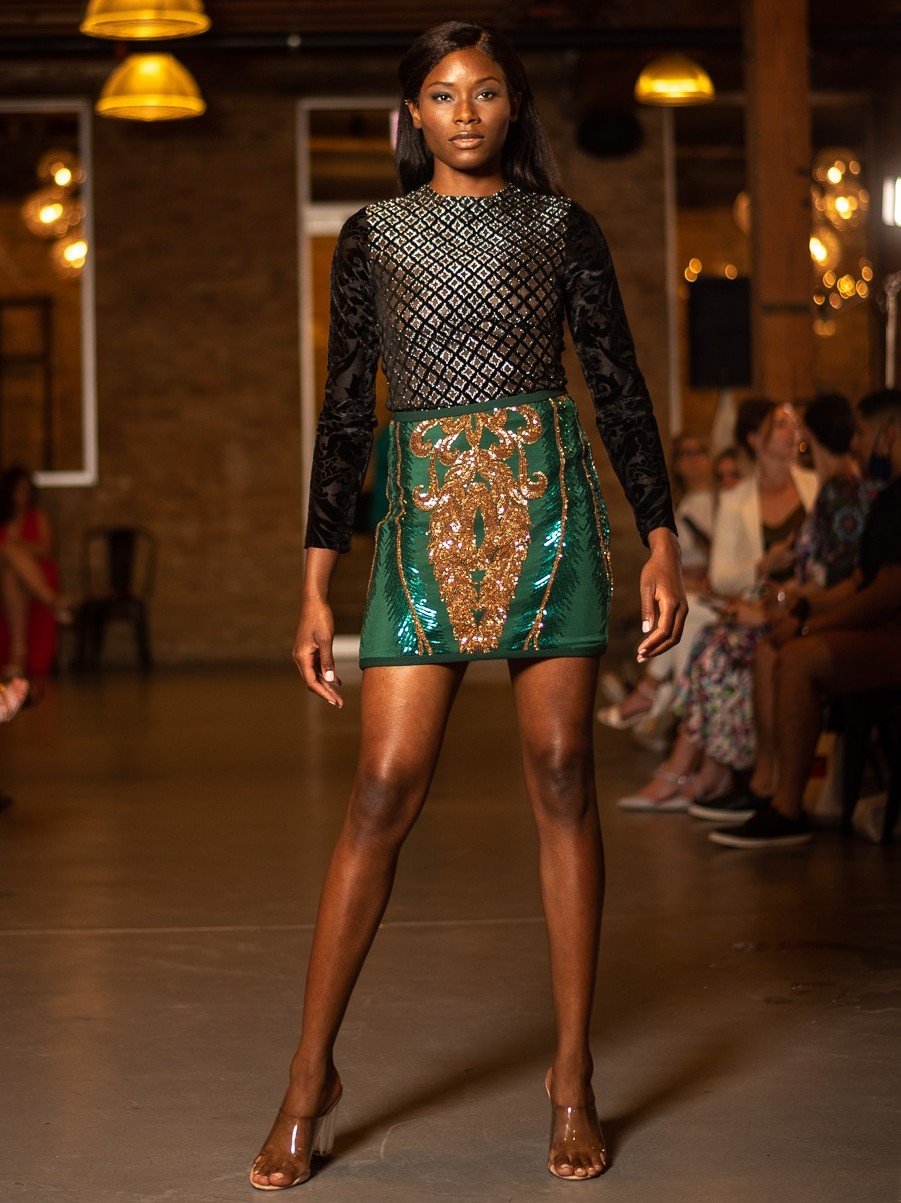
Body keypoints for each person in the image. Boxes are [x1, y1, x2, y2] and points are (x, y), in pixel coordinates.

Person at [249, 19, 686, 1191]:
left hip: (551, 507)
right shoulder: (372, 238)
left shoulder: (560, 227)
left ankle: (572, 1076)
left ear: (513, 110)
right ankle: (307, 1076)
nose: (466, 113)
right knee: (384, 788)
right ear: (414, 116)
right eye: (442, 95)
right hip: (420, 523)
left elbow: (617, 381)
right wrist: (311, 584)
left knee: (560, 779)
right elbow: (347, 405)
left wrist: (660, 535)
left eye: (487, 93)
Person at [709, 388, 901, 848]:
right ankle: (766, 786)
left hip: (890, 630)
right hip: (865, 616)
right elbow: (858, 581)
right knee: (765, 645)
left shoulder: (851, 490)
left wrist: (811, 621)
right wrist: (805, 607)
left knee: (792, 656)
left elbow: (885, 592)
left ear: (888, 434)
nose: (862, 442)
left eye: (869, 432)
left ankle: (786, 806)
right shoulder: (885, 495)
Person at [617, 397, 818, 811]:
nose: (791, 431)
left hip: (802, 609)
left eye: (793, 424)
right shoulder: (739, 497)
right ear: (755, 437)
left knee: (711, 644)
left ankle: (697, 768)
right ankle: (707, 770)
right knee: (710, 650)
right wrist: (767, 564)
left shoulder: (813, 487)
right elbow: (726, 575)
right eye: (780, 424)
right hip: (751, 608)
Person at [0, 465, 72, 681]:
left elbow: (47, 549)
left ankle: (18, 656)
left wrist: (16, 546)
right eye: (18, 490)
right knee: (8, 567)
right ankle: (52, 600)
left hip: (38, 575)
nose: (23, 495)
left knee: (11, 570)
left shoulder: (38, 516)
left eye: (27, 490)